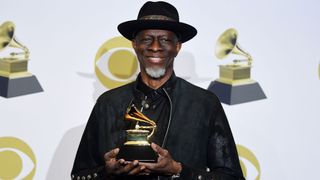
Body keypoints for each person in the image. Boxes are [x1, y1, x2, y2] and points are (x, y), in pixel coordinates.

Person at [71, 1, 245, 180]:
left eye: (165, 40)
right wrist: (106, 172)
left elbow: (232, 177)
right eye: (147, 39)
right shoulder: (107, 103)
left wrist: (178, 169)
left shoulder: (205, 103)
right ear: (134, 45)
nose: (155, 47)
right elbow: (79, 175)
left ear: (177, 47)